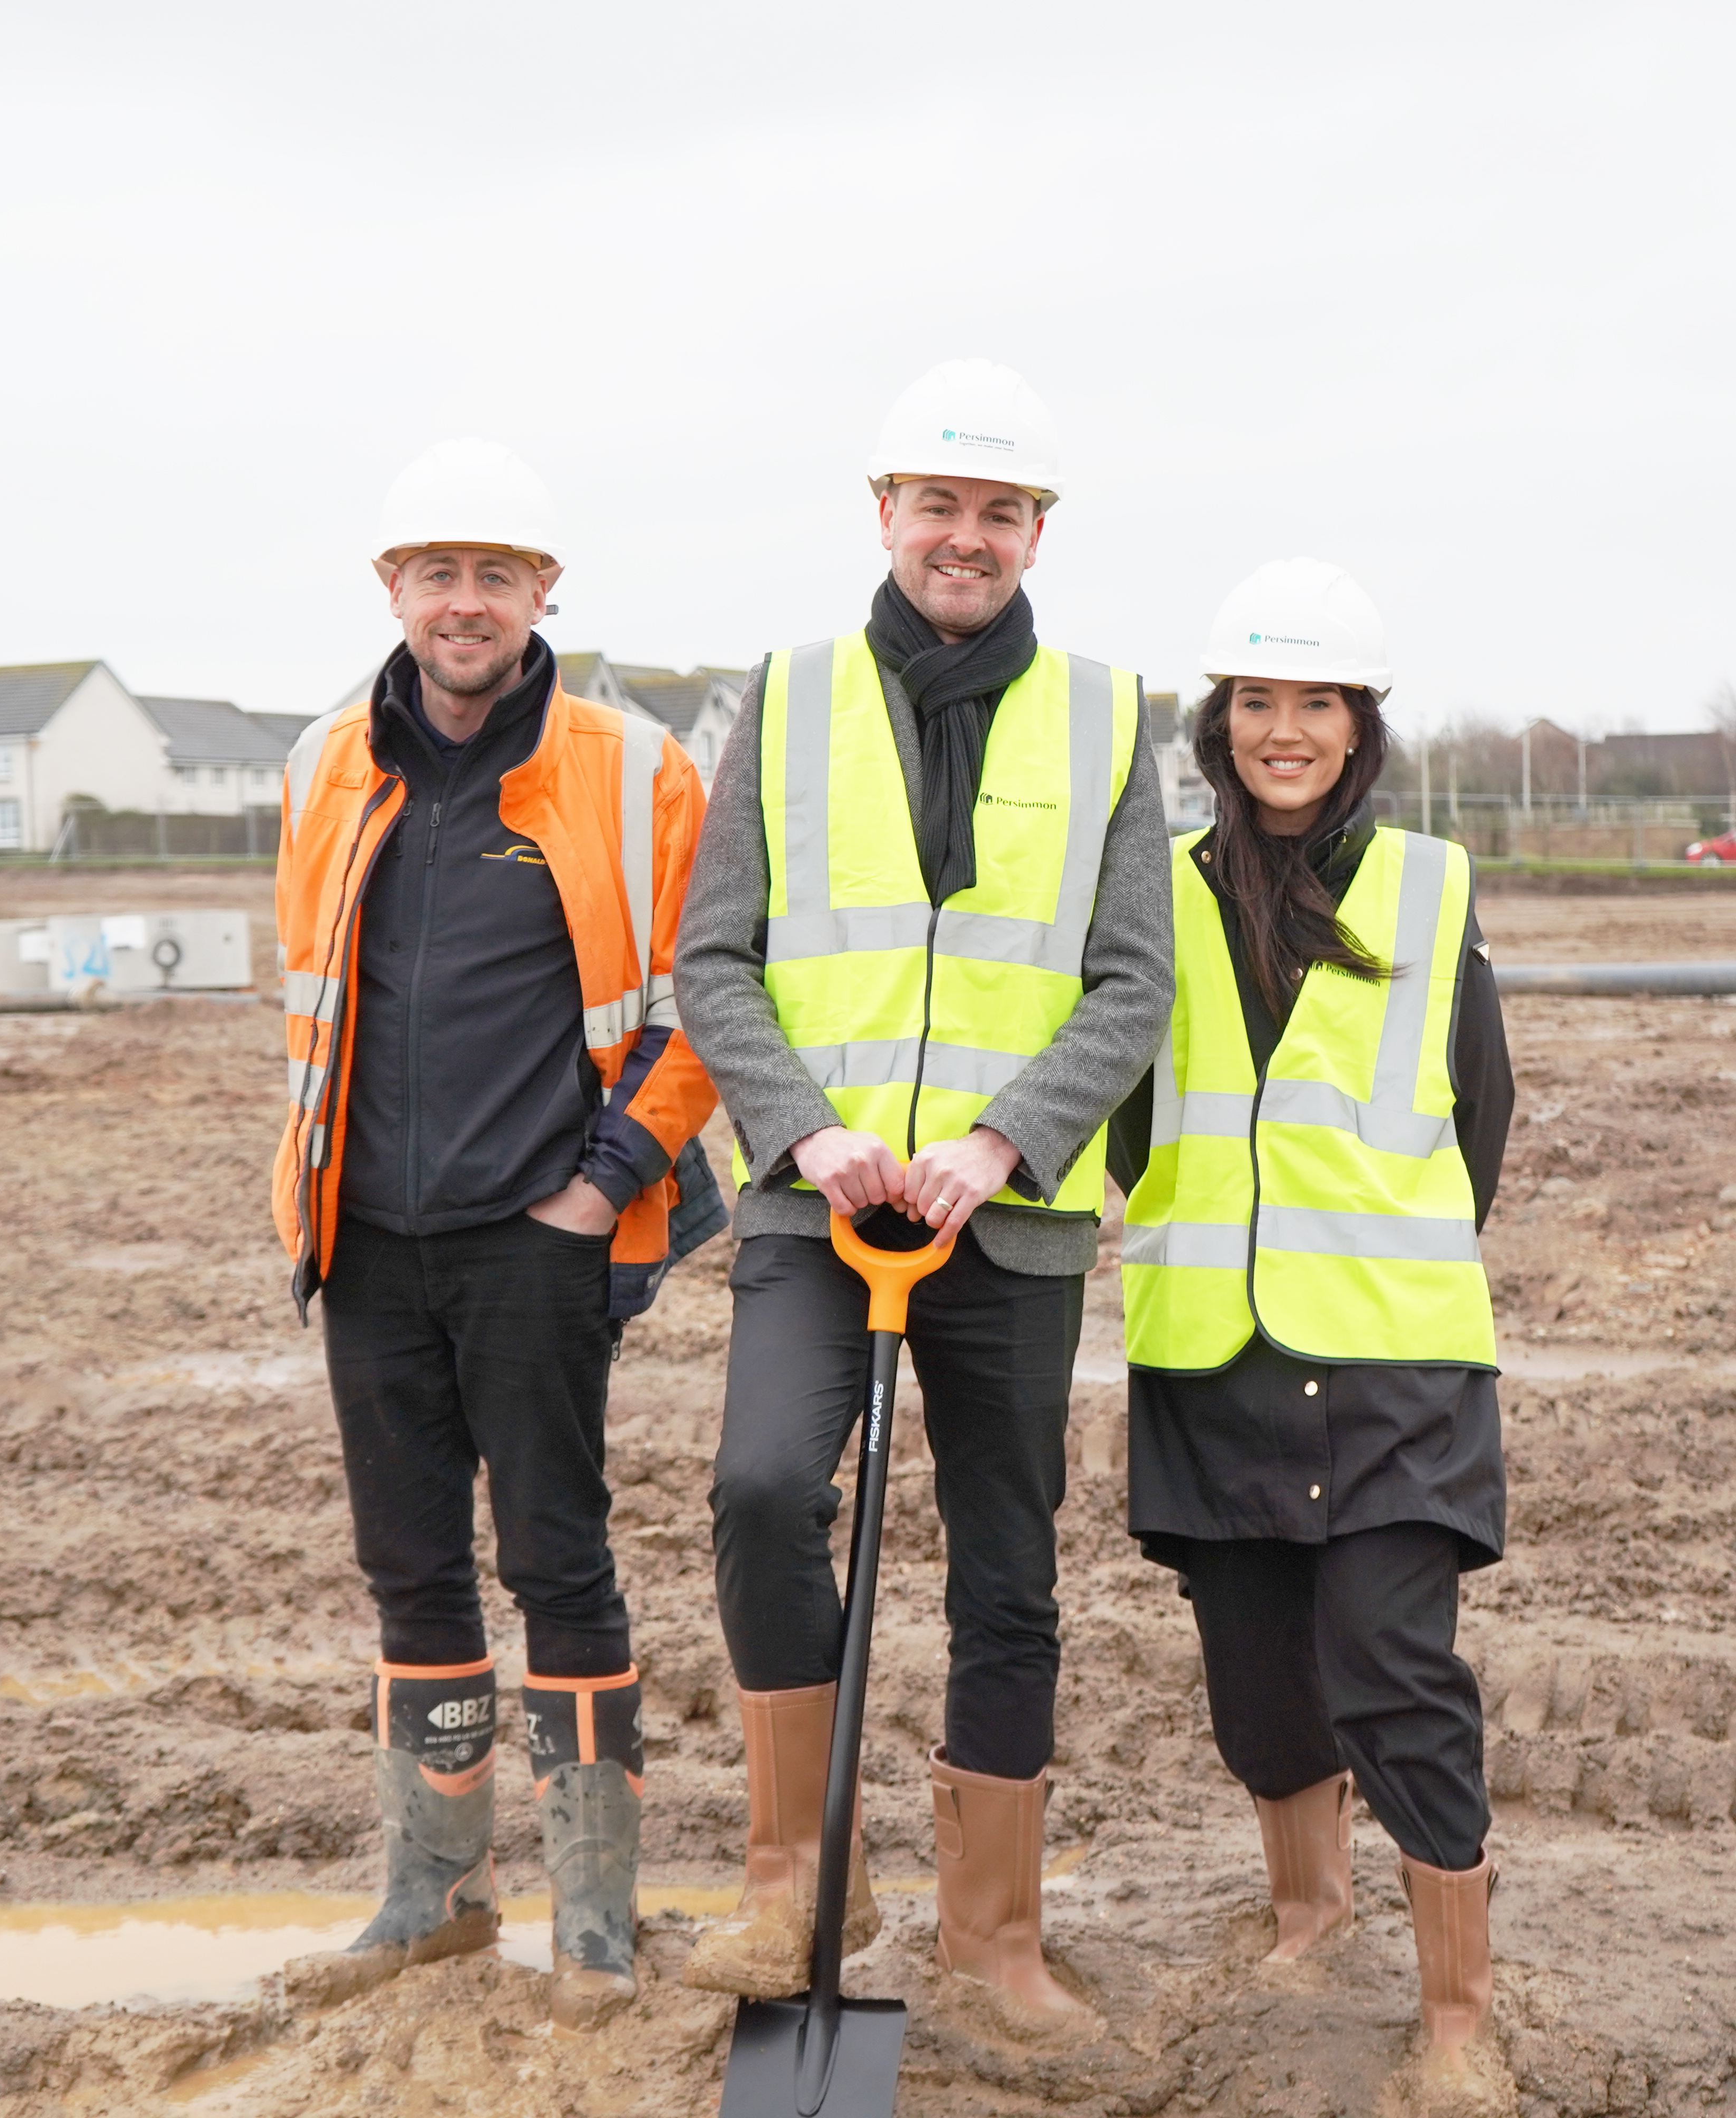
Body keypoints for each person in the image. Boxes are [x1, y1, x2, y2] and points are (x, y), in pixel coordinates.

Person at [674, 359, 1173, 2036]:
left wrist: (1005, 1142)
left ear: (1039, 531)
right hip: (818, 1205)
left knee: (1007, 1568)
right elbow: (716, 958)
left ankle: (993, 1940)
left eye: (1001, 511)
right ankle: (795, 1884)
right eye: (940, 504)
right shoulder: (787, 698)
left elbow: (1131, 981)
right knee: (760, 1490)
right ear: (884, 513)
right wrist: (808, 1134)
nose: (968, 536)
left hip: (1007, 1221)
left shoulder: (1109, 718)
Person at [269, 437, 721, 2031]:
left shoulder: (635, 770)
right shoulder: (325, 764)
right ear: (392, 590)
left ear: (544, 594)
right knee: (409, 1570)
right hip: (366, 1241)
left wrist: (600, 1188)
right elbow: (315, 997)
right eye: (437, 574)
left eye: (497, 575)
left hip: (537, 1240)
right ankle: (436, 1898)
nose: (465, 603)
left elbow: (708, 1001)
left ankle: (596, 1922)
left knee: (558, 1562)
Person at [1107, 558, 1515, 2113]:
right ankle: (1308, 1916)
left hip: (1396, 1351)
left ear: (1361, 725)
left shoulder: (1429, 886)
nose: (1286, 730)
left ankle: (1459, 2016)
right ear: (1222, 721)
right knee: (1261, 1680)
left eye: (1318, 703)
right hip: (1217, 1347)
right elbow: (1129, 1113)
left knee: (1390, 1660)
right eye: (1259, 701)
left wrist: (1371, 1241)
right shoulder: (1157, 886)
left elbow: (1480, 1115)